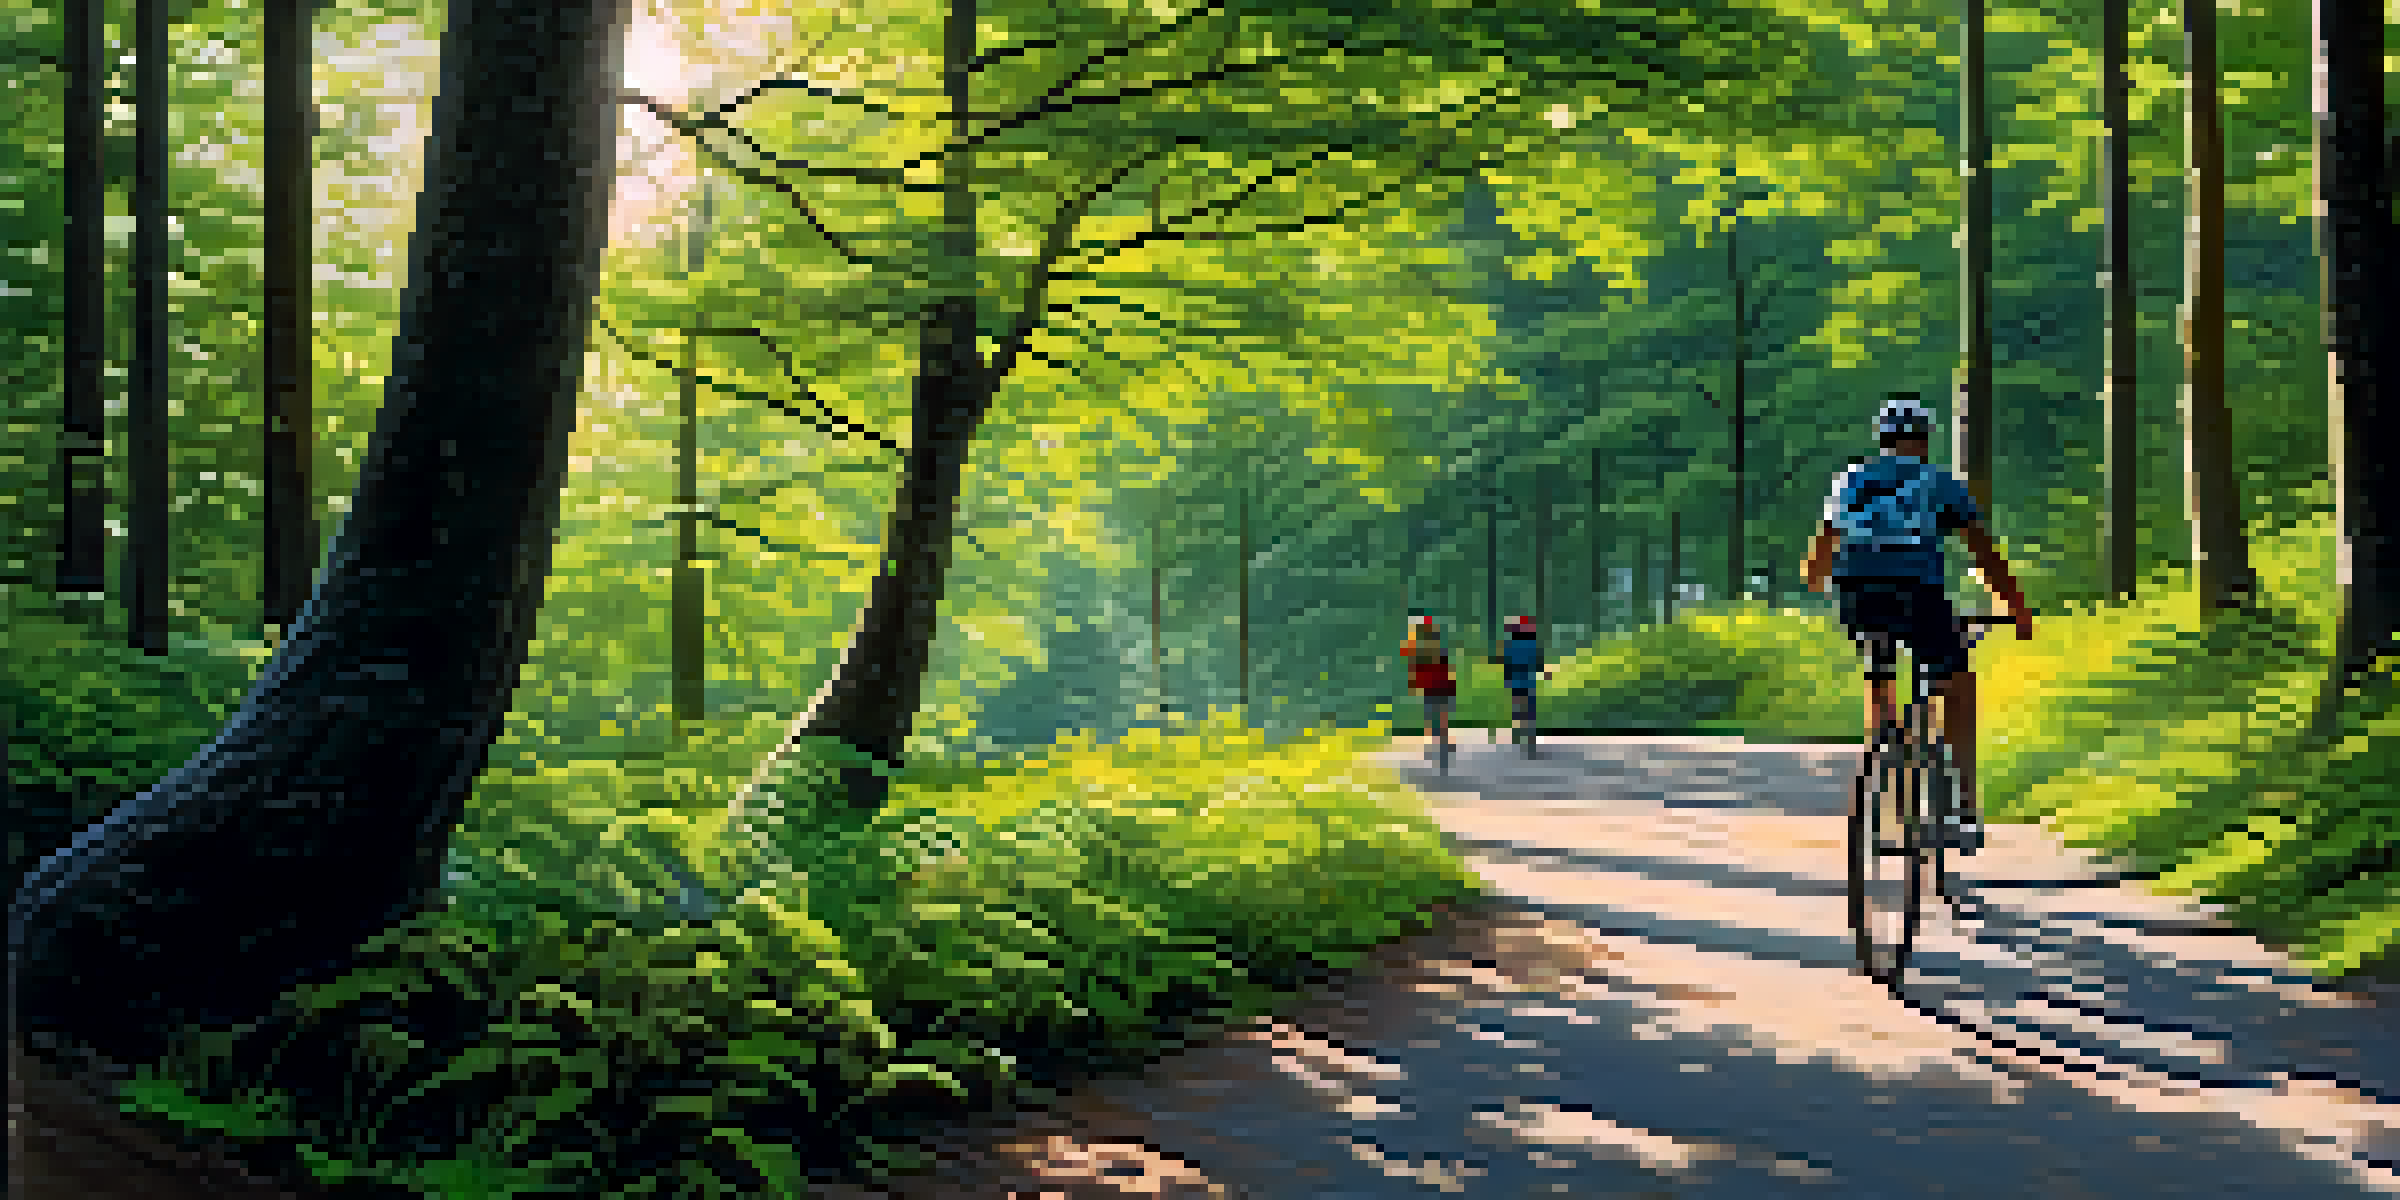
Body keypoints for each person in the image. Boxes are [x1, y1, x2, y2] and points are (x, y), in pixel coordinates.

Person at [1799, 394, 2033, 853]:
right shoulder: (1940, 484)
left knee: (1879, 665)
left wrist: (1820, 585)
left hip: (1858, 598)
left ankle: (1884, 755)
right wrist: (2017, 609)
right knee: (1956, 677)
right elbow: (1983, 553)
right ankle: (1965, 797)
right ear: (1924, 442)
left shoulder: (1850, 481)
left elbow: (1820, 555)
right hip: (1917, 597)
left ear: (1880, 442)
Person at [1491, 615, 1551, 757]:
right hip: (1528, 682)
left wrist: (1507, 680)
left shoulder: (1511, 645)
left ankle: (1520, 736)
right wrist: (1544, 672)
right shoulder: (1531, 644)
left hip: (1517, 682)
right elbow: (1537, 663)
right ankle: (1529, 740)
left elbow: (1507, 664)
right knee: (1529, 711)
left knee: (1518, 709)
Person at [1402, 612, 1457, 761]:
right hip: (1441, 685)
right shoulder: (1435, 645)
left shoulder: (1419, 646)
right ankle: (1442, 745)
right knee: (1439, 716)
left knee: (1433, 717)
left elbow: (1412, 661)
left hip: (1433, 686)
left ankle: (1439, 745)